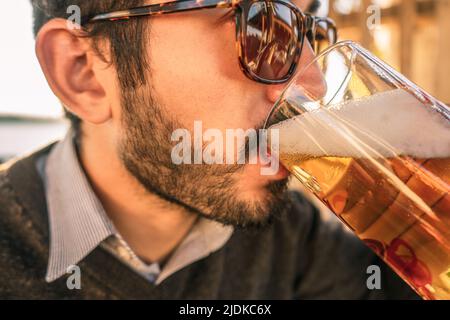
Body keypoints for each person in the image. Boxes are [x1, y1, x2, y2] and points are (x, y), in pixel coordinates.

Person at [0, 0, 418, 299]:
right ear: (84, 71)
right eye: (262, 27)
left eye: (313, 35)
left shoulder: (298, 242)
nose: (313, 87)